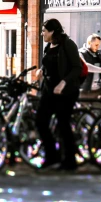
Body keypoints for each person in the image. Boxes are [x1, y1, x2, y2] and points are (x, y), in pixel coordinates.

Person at [36, 18, 81, 170]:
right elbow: (48, 64)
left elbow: (77, 68)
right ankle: (52, 156)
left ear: (52, 31)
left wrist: (63, 83)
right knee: (40, 121)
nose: (42, 34)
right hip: (49, 91)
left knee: (63, 124)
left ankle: (69, 161)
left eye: (44, 31)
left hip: (65, 92)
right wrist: (41, 70)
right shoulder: (48, 46)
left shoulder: (67, 44)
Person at [79, 34, 101, 98]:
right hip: (84, 91)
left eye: (99, 45)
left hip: (98, 91)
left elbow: (100, 69)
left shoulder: (98, 54)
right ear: (89, 43)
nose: (98, 47)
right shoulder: (81, 53)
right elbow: (85, 66)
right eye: (96, 45)